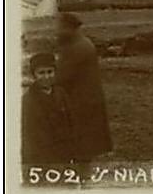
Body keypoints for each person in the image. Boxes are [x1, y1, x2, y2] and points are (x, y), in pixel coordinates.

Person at [54, 12, 112, 170]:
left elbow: (62, 76)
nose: (57, 31)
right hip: (84, 98)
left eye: (60, 28)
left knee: (82, 143)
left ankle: (82, 178)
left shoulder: (78, 47)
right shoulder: (79, 43)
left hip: (82, 101)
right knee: (83, 143)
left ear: (70, 28)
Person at [22, 52, 75, 169]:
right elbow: (27, 136)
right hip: (41, 156)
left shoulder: (61, 93)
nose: (46, 76)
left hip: (64, 152)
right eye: (41, 73)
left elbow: (71, 122)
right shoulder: (28, 100)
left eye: (50, 72)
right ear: (34, 75)